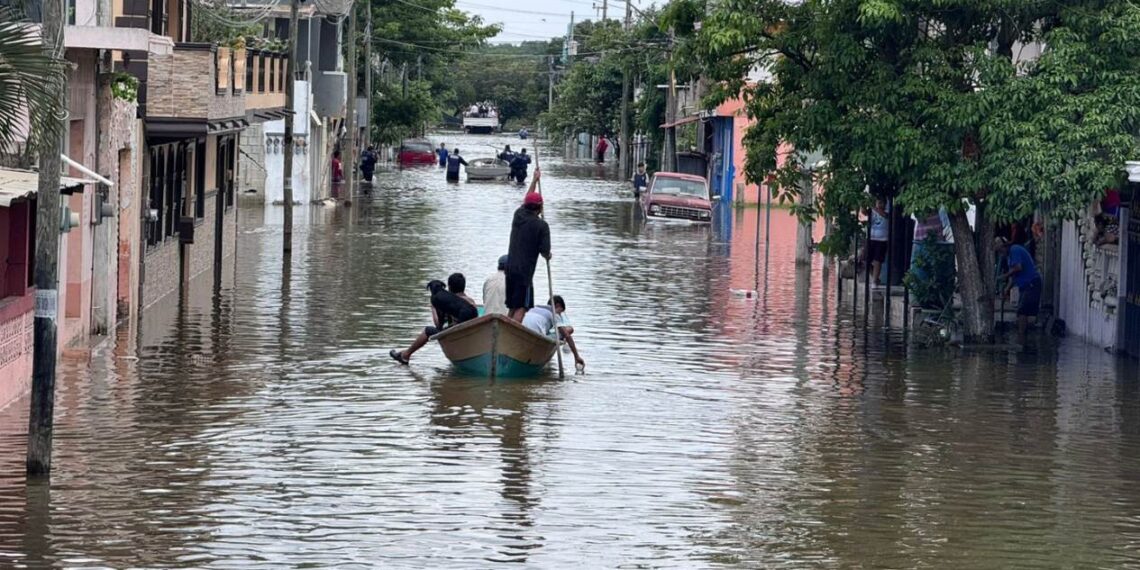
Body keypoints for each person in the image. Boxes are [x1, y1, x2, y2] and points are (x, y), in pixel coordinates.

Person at [390, 274, 478, 365]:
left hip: (455, 335)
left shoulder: (445, 302)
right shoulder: (471, 301)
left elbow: (437, 324)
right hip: (471, 334)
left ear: (449, 287)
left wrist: (433, 307)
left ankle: (406, 355)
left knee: (428, 330)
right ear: (463, 286)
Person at [506, 175, 551, 322]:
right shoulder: (542, 226)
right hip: (524, 274)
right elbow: (545, 252)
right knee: (522, 307)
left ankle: (503, 333)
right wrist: (548, 255)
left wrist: (534, 180)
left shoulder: (518, 215)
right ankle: (510, 336)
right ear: (540, 207)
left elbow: (527, 199)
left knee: (513, 305)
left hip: (510, 268)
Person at [994, 236, 1042, 345]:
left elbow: (1018, 268)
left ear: (1005, 247)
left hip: (1031, 283)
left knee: (1022, 312)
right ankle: (1024, 338)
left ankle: (1022, 339)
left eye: (1001, 250)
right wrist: (1006, 290)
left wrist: (1004, 276)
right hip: (1025, 285)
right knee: (1022, 312)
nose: (1000, 253)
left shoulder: (1014, 250)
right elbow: (1014, 277)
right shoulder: (1009, 257)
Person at [522, 295, 585, 370]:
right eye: (560, 312)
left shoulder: (534, 308)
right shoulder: (553, 313)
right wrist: (576, 356)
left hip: (523, 333)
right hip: (536, 337)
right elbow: (567, 335)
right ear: (557, 305)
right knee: (569, 329)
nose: (559, 315)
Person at [867, 198, 889, 287]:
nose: (880, 205)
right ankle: (875, 278)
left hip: (882, 239)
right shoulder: (872, 211)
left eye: (881, 203)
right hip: (871, 238)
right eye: (878, 203)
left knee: (877, 260)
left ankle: (875, 281)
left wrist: (874, 208)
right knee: (866, 260)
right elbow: (864, 212)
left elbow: (885, 215)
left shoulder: (886, 211)